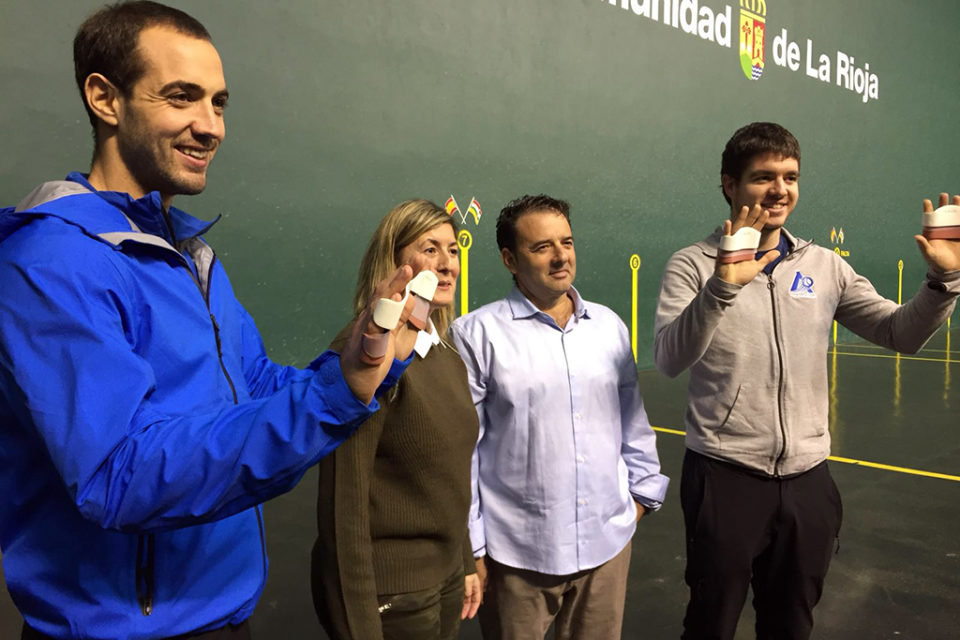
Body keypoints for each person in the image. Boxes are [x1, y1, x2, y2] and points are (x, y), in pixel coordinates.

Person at [0, 3, 419, 639]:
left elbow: (254, 388)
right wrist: (333, 398)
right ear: (104, 98)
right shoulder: (51, 262)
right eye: (181, 97)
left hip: (225, 617)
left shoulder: (190, 256)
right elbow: (116, 476)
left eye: (218, 103)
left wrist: (364, 362)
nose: (210, 126)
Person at [653, 121, 960, 640]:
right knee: (710, 623)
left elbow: (898, 332)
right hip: (725, 477)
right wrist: (722, 286)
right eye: (763, 177)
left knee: (792, 624)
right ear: (729, 185)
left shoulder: (824, 266)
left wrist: (944, 281)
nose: (779, 190)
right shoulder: (692, 265)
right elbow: (668, 358)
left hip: (808, 481)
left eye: (790, 177)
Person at [450, 194, 669, 640]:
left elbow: (632, 418)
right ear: (510, 259)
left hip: (607, 546)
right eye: (542, 247)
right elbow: (463, 451)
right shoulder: (476, 335)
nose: (560, 256)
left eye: (566, 242)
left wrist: (643, 496)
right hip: (517, 556)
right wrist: (472, 546)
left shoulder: (608, 326)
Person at [310, 199, 481, 640]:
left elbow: (448, 477)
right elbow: (342, 507)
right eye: (429, 249)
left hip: (441, 583)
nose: (447, 265)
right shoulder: (362, 354)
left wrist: (461, 562)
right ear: (395, 261)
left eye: (453, 250)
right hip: (393, 595)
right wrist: (359, 624)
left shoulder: (443, 352)